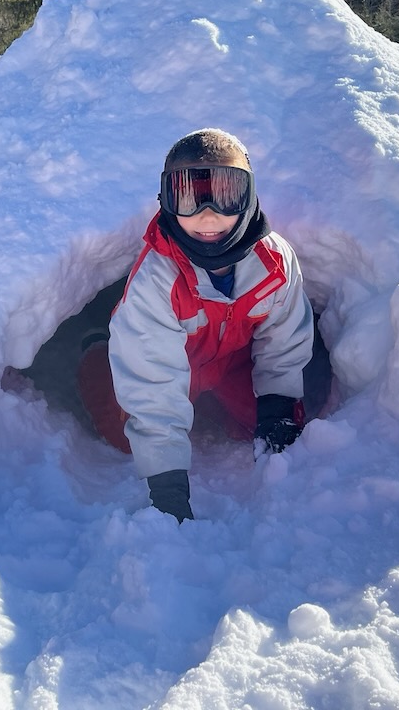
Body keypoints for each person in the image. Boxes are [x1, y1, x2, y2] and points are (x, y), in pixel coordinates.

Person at [78, 128, 314, 522]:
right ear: (166, 201)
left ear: (250, 195)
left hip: (231, 363)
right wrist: (168, 489)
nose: (208, 214)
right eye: (188, 197)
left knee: (266, 427)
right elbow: (153, 390)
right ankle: (96, 350)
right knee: (127, 435)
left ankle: (215, 407)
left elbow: (284, 340)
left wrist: (278, 408)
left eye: (226, 194)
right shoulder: (158, 279)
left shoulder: (274, 262)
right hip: (165, 363)